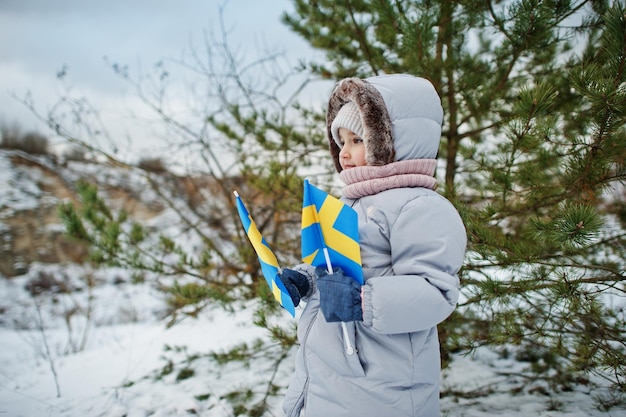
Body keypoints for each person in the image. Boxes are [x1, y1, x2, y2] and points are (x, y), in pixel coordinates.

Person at [280, 74, 467, 417]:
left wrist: (363, 301)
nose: (345, 153)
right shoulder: (350, 203)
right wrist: (306, 279)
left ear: (389, 142)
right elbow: (338, 264)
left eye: (357, 140)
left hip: (383, 385)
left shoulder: (418, 207)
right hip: (329, 372)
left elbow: (436, 292)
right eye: (341, 142)